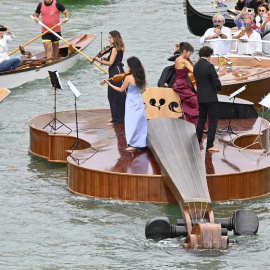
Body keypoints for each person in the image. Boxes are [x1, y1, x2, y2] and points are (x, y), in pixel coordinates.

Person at [105, 56, 147, 152]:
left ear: (131, 66)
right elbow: (143, 89)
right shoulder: (141, 75)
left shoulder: (129, 77)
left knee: (131, 122)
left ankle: (133, 144)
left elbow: (121, 90)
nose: (127, 66)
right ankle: (141, 142)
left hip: (131, 101)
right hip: (139, 99)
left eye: (128, 64)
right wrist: (137, 94)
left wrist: (109, 84)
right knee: (140, 121)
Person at [172, 42, 208, 129]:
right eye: (190, 52)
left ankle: (194, 124)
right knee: (197, 102)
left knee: (191, 103)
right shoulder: (184, 61)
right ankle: (199, 125)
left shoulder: (177, 59)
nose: (190, 54)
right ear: (185, 51)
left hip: (179, 84)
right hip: (182, 86)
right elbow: (194, 70)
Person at [94, 30, 126, 126]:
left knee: (116, 96)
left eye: (110, 38)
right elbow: (114, 59)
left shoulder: (114, 49)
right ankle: (115, 117)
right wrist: (105, 59)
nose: (108, 39)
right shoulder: (116, 48)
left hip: (116, 72)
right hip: (116, 70)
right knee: (112, 95)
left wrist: (98, 60)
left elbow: (111, 63)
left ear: (115, 38)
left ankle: (117, 119)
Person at [193, 46, 222, 152]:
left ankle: (197, 142)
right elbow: (215, 80)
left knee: (201, 119)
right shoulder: (209, 66)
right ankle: (210, 145)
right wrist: (219, 88)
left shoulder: (196, 66)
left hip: (200, 97)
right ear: (209, 55)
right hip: (211, 98)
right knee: (213, 121)